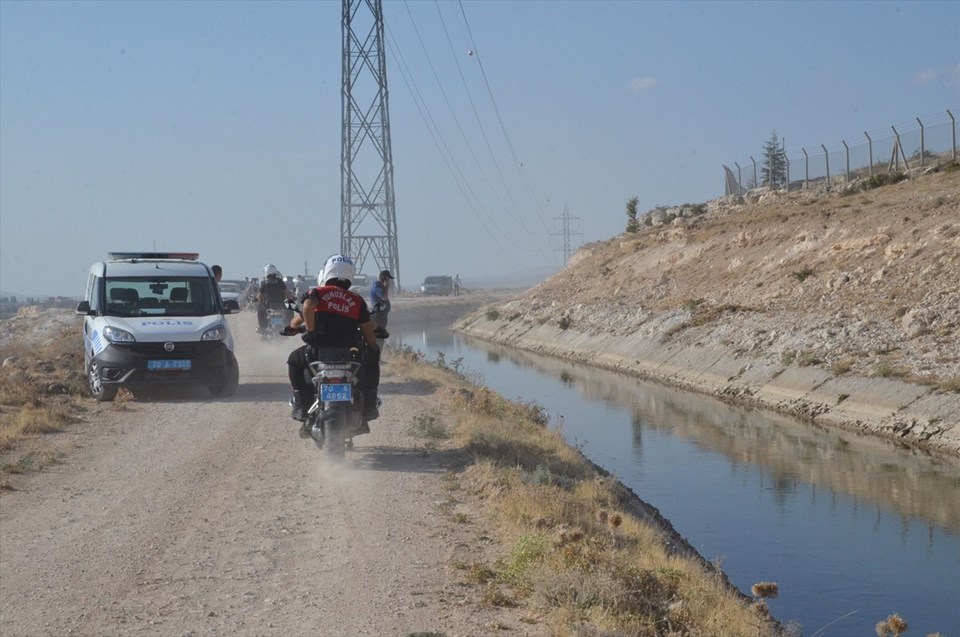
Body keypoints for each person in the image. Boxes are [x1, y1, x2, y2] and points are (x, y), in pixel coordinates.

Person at [285, 254, 381, 436]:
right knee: (371, 360)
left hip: (318, 352)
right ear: (351, 274)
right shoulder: (356, 300)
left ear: (326, 272)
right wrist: (373, 347)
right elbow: (368, 331)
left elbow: (305, 310)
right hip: (350, 353)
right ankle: (369, 407)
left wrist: (312, 334)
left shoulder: (319, 293)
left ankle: (301, 406)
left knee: (293, 361)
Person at [256, 264, 292, 333]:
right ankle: (290, 327)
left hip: (268, 307)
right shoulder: (280, 282)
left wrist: (260, 302)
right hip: (281, 306)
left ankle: (262, 328)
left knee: (260, 310)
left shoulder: (264, 283)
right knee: (290, 310)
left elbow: (259, 296)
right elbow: (287, 293)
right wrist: (291, 298)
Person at [370, 269, 393, 343]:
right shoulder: (377, 286)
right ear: (384, 278)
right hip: (379, 314)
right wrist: (386, 288)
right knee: (379, 335)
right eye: (388, 278)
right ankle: (377, 350)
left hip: (382, 314)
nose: (389, 280)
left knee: (381, 335)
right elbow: (384, 298)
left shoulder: (379, 286)